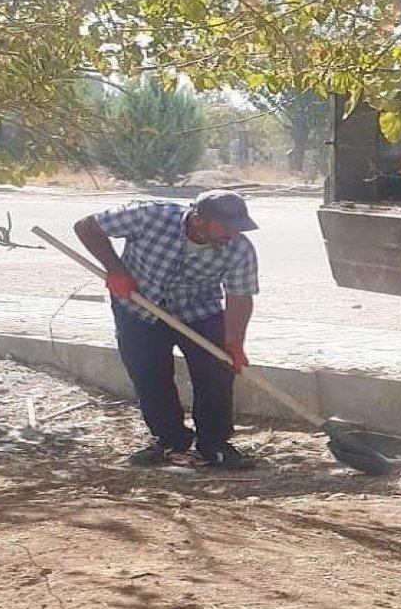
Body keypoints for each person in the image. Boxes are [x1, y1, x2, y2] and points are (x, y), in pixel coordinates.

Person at [74, 190, 261, 469]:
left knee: (216, 373)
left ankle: (214, 443)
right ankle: (169, 441)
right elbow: (86, 227)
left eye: (237, 228)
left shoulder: (239, 249)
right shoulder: (148, 215)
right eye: (225, 226)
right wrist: (115, 270)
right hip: (138, 308)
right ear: (198, 220)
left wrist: (234, 343)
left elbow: (240, 296)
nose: (231, 234)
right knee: (149, 375)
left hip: (199, 312)